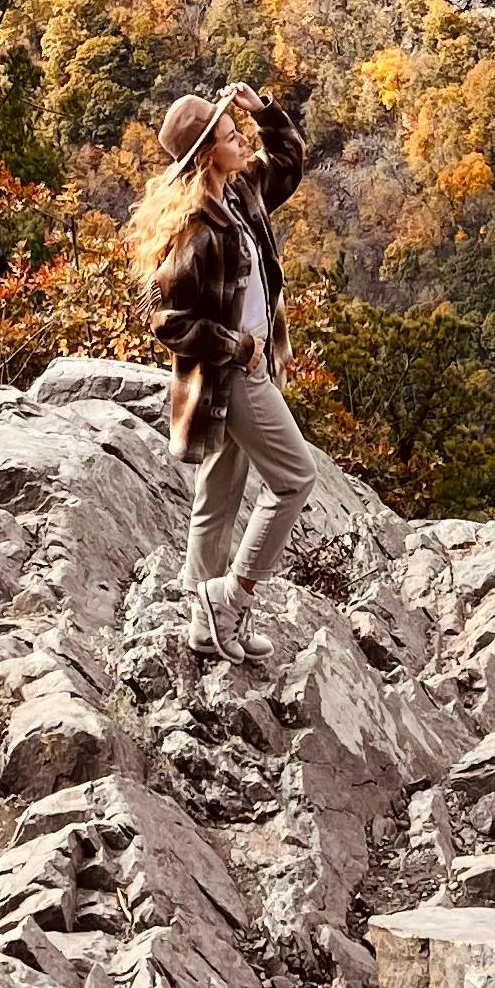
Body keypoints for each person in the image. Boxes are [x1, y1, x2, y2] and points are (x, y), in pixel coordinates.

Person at [130, 74, 315, 657]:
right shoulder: (198, 228)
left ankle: (202, 622)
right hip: (231, 374)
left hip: (250, 368)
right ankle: (229, 598)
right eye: (233, 136)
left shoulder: (242, 192)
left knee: (219, 493)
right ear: (208, 152)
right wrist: (236, 347)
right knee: (295, 480)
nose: (244, 143)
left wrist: (262, 111)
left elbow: (288, 159)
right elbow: (165, 319)